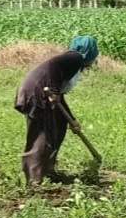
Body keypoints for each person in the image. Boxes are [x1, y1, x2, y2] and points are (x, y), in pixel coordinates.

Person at [14, 36, 98, 185]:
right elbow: (53, 67)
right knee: (42, 134)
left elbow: (60, 96)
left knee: (58, 128)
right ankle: (34, 179)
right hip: (37, 94)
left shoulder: (74, 63)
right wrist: (53, 90)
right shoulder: (75, 57)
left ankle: (48, 170)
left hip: (41, 93)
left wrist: (71, 120)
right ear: (90, 51)